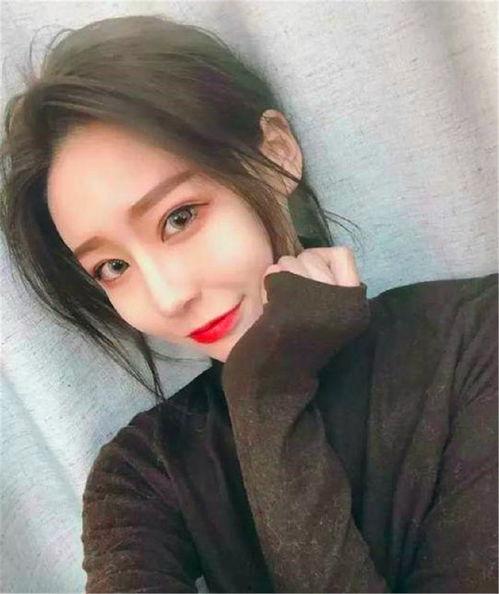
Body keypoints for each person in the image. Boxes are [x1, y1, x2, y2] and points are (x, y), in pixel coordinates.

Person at [1, 14, 497, 594]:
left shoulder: (474, 340)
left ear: (277, 154)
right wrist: (268, 395)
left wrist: (269, 398)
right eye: (113, 267)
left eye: (179, 218)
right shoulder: (140, 472)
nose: (169, 296)